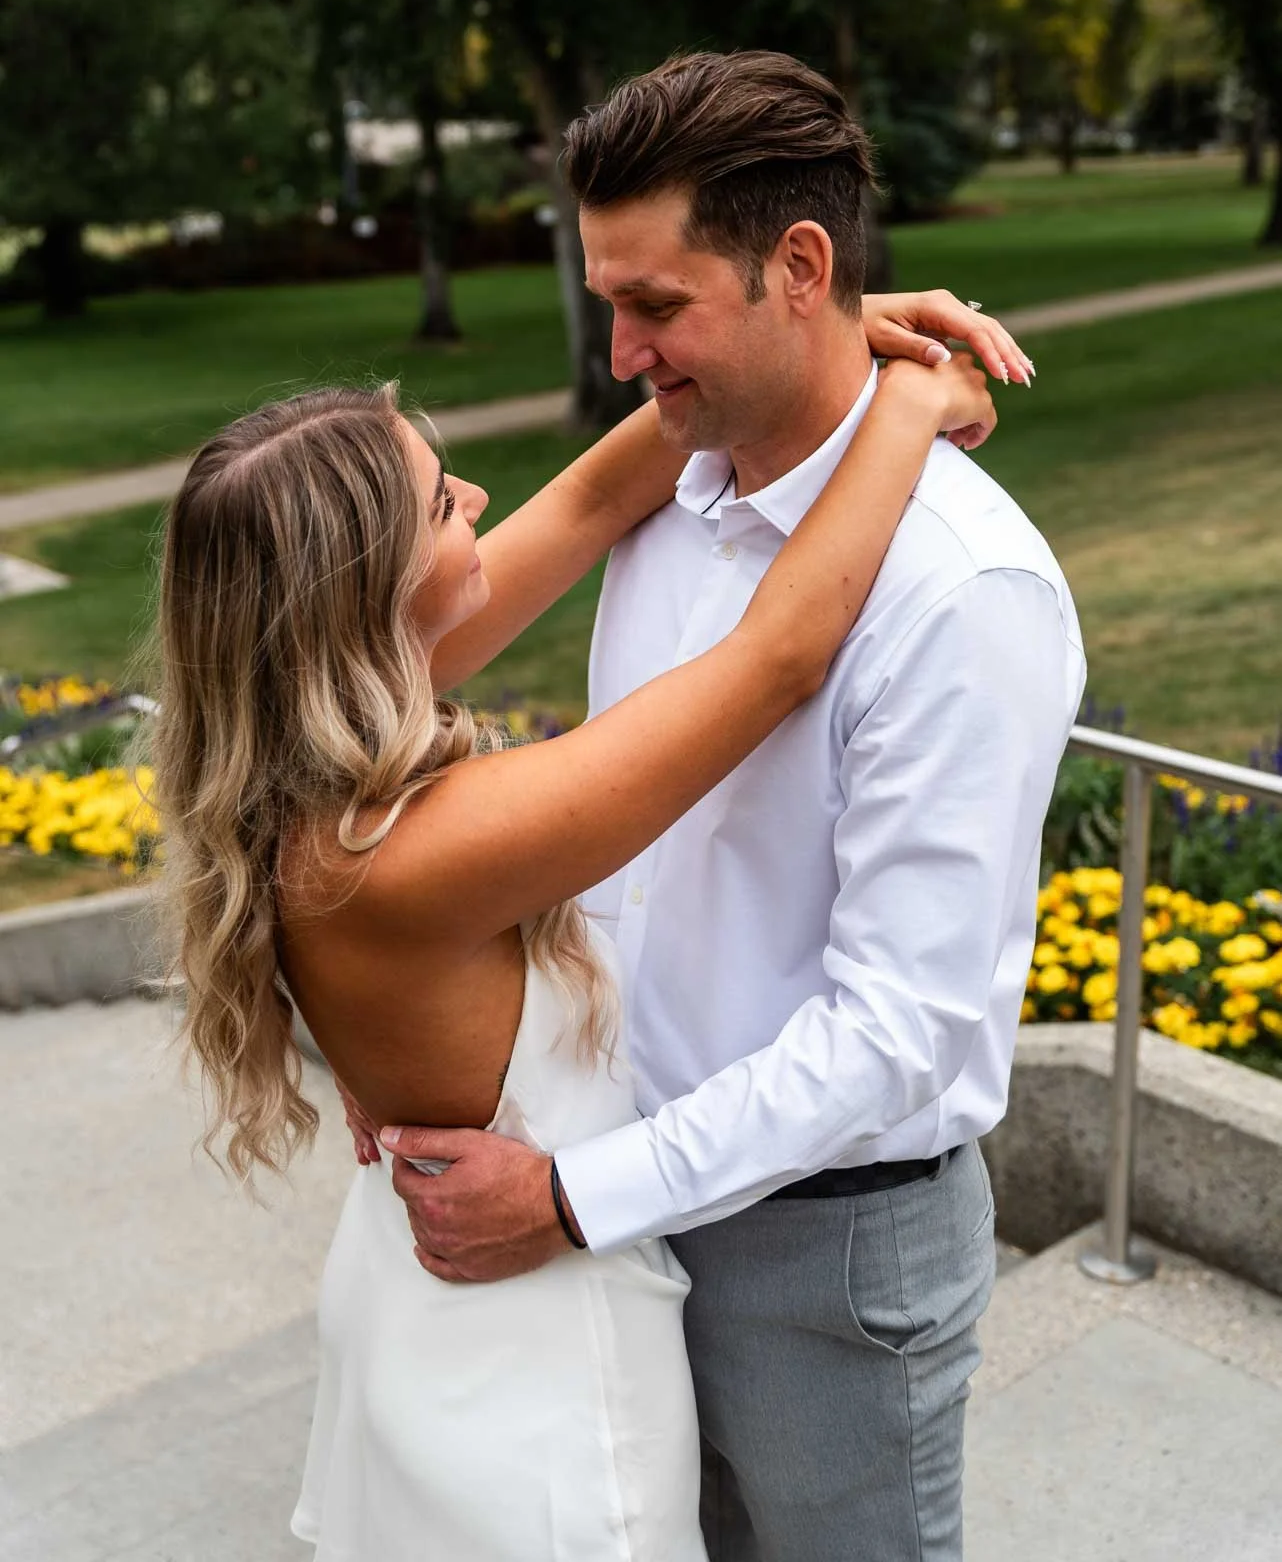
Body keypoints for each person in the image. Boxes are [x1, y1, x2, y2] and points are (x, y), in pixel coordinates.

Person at [154, 291, 1006, 1558]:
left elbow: (603, 497)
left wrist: (814, 331)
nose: (486, 501)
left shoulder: (300, 773)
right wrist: (913, 402)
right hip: (533, 1365)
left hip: (421, 1310)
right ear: (366, 586)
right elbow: (782, 653)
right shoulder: (420, 849)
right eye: (442, 504)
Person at [379, 51, 1088, 1562]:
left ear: (800, 268)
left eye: (656, 305)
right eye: (606, 303)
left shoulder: (959, 591)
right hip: (623, 1198)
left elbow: (896, 1027)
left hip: (822, 1257)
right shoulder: (669, 488)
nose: (621, 351)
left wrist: (573, 1197)